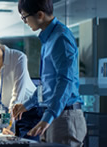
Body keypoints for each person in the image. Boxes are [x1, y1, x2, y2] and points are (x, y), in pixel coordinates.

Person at [13, 0, 87, 146]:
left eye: (25, 17)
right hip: (54, 115)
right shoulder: (49, 39)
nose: (25, 22)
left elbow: (65, 81)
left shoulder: (61, 37)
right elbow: (46, 85)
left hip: (64, 116)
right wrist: (27, 105)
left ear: (40, 15)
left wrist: (48, 116)